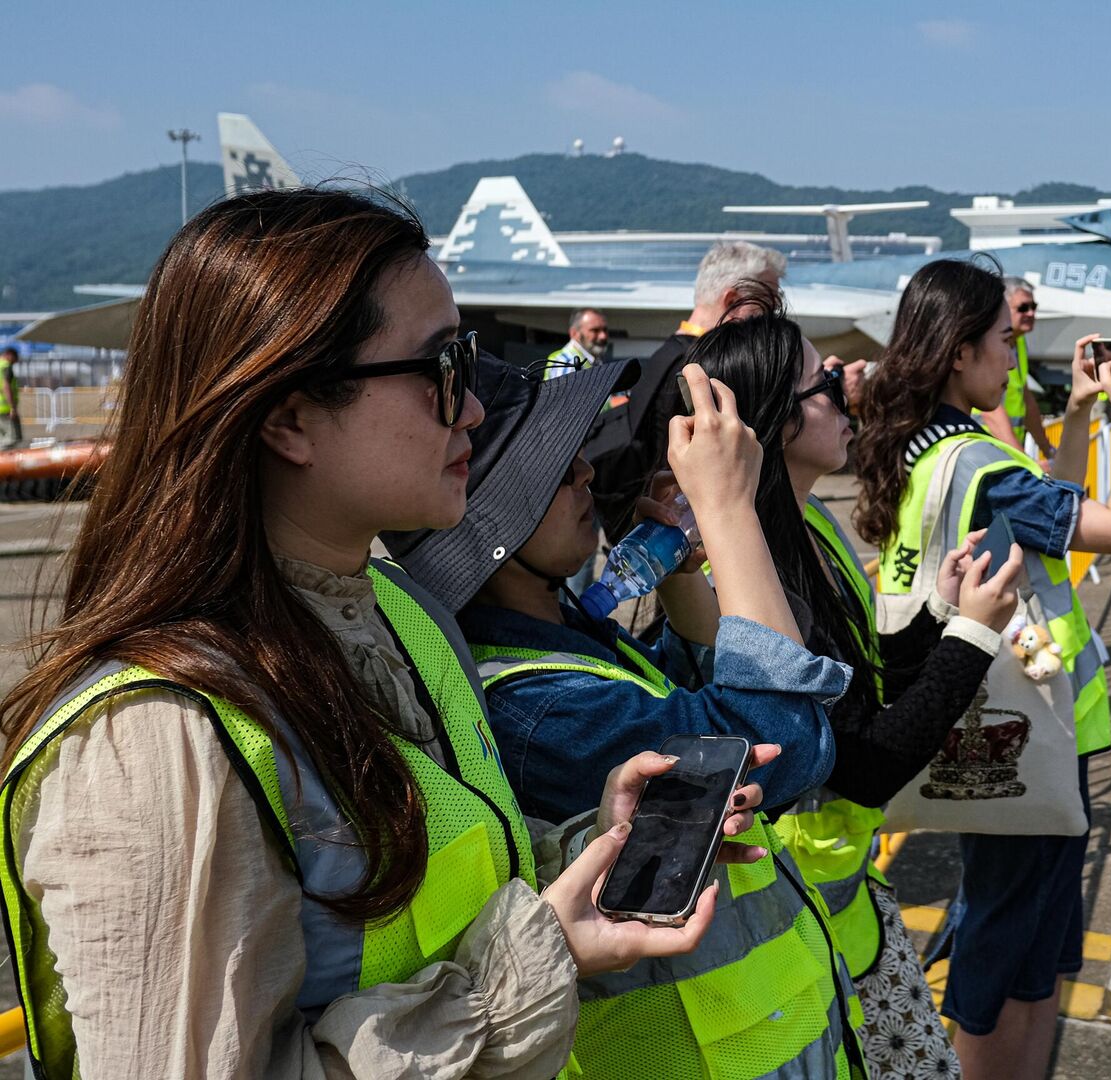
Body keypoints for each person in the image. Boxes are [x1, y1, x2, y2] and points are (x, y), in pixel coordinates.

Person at [0, 188, 770, 1080]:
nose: (473, 410)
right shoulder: (157, 739)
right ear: (288, 416)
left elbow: (435, 903)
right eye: (443, 368)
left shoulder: (405, 613)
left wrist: (582, 854)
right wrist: (524, 970)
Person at [385, 337, 867, 1078]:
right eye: (546, 471)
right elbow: (783, 746)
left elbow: (700, 701)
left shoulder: (567, 638)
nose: (583, 473)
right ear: (492, 522)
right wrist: (729, 508)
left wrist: (679, 572)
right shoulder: (529, 705)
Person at [691, 284, 1030, 1079]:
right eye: (823, 382)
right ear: (774, 423)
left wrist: (938, 612)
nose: (849, 389)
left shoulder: (812, 525)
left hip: (846, 907)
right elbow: (864, 757)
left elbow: (860, 675)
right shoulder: (755, 580)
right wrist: (975, 635)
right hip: (803, 928)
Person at [852, 257, 1111, 1080]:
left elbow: (1049, 516)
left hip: (988, 719)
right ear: (959, 352)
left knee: (1026, 948)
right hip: (1031, 731)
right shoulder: (987, 468)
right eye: (999, 339)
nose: (1009, 356)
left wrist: (1085, 411)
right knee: (1003, 952)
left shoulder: (930, 455)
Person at [582, 240, 787, 543]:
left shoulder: (666, 354)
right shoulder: (702, 370)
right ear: (732, 301)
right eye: (767, 305)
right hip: (691, 539)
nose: (772, 321)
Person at [976, 277, 1056, 459]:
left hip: (1007, 452)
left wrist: (1049, 450)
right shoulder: (989, 344)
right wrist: (1026, 462)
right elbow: (991, 412)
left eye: (1033, 307)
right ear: (1003, 309)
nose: (1030, 313)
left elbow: (1026, 399)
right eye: (1023, 308)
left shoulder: (1019, 343)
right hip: (986, 452)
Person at [546, 307, 610, 375]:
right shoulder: (567, 363)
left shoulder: (594, 360)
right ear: (574, 333)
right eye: (595, 330)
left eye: (605, 330)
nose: (603, 336)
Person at [0, 345, 21, 447]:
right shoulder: (6, 367)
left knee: (2, 438)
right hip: (5, 409)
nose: (15, 361)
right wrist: (12, 407)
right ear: (9, 355)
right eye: (15, 358)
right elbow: (6, 386)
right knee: (12, 439)